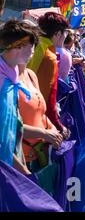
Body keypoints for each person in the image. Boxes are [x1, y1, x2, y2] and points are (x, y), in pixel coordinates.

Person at [0, 20, 41, 175]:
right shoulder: (3, 81)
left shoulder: (12, 72)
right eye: (32, 45)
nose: (33, 51)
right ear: (18, 46)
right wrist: (24, 173)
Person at [28, 12, 70, 137]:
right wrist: (58, 126)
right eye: (65, 33)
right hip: (33, 118)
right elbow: (46, 98)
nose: (65, 37)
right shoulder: (49, 56)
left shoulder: (32, 45)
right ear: (57, 33)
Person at [18, 63, 63, 173]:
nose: (30, 48)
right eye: (20, 45)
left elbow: (41, 112)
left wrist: (53, 130)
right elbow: (9, 127)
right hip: (21, 162)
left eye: (33, 44)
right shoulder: (5, 80)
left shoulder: (30, 74)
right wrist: (44, 133)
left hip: (40, 154)